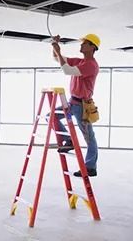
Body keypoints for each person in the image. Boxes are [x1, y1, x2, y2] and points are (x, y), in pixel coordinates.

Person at [51, 33, 100, 177]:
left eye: (84, 43)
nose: (81, 45)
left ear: (92, 47)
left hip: (82, 107)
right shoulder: (80, 61)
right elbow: (56, 59)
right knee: (52, 117)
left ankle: (90, 167)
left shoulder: (91, 65)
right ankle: (69, 140)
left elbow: (67, 70)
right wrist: (54, 46)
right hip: (72, 102)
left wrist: (59, 51)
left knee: (89, 137)